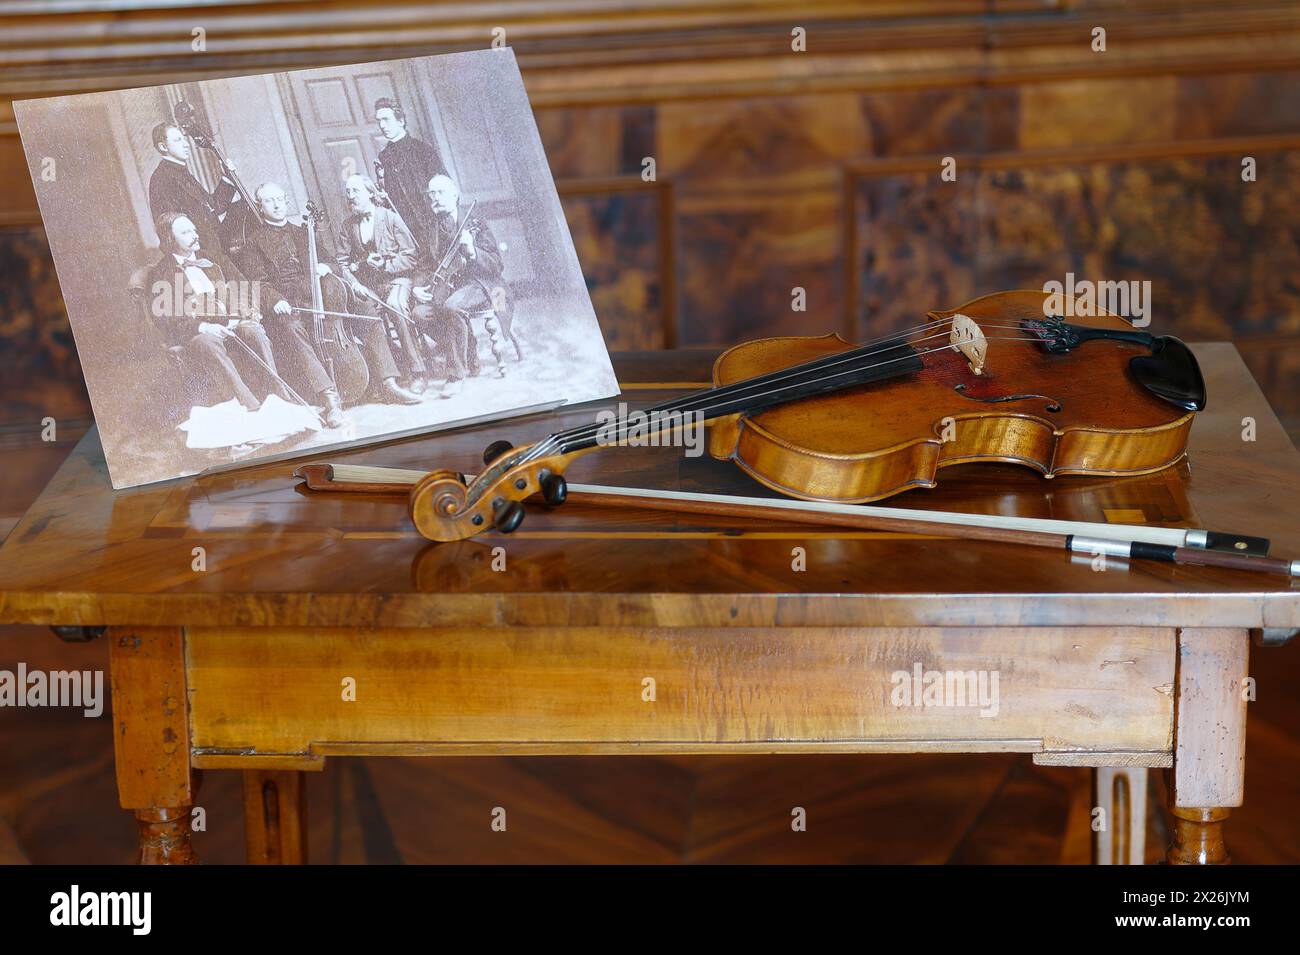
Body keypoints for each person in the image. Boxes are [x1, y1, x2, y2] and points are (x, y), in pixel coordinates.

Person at [233, 182, 358, 426]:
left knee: (354, 312)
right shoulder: (254, 243)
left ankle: (380, 379)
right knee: (292, 328)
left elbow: (332, 262)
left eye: (280, 198)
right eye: (270, 201)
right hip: (288, 304)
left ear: (287, 201)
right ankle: (329, 397)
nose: (277, 204)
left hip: (317, 296)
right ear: (260, 207)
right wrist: (276, 300)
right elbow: (259, 283)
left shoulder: (304, 232)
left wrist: (325, 267)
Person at [146, 212, 280, 411]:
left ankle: (279, 398)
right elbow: (166, 319)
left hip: (233, 321)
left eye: (194, 229)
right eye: (185, 232)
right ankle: (249, 407)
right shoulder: (160, 273)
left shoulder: (215, 258)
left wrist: (240, 314)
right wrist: (204, 326)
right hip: (199, 332)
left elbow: (242, 286)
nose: (194, 235)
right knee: (208, 343)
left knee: (255, 332)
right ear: (169, 239)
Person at [410, 174, 508, 394]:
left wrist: (472, 250)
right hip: (450, 286)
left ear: (455, 195)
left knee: (451, 307)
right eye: (431, 194)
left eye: (440, 193)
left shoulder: (474, 222)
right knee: (419, 313)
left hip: (480, 283)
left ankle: (456, 374)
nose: (434, 198)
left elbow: (496, 264)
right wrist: (417, 286)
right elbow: (423, 265)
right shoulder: (430, 226)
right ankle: (469, 351)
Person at [335, 174, 423, 402]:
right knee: (365, 313)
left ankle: (418, 372)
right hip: (369, 286)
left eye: (355, 191)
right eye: (348, 192)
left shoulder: (390, 218)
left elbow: (412, 257)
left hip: (398, 280)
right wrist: (354, 284)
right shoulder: (348, 226)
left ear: (370, 193)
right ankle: (389, 374)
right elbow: (342, 263)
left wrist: (385, 264)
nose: (350, 197)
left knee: (395, 305)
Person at [147, 123, 239, 254]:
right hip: (200, 253)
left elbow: (213, 207)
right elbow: (170, 230)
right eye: (178, 140)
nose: (186, 144)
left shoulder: (182, 171)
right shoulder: (161, 179)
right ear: (163, 146)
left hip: (215, 249)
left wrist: (227, 178)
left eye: (184, 139)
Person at [373, 97, 445, 253]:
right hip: (405, 232)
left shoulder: (423, 150)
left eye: (386, 119)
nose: (382, 125)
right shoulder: (383, 157)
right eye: (379, 121)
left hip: (433, 227)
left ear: (400, 121)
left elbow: (445, 189)